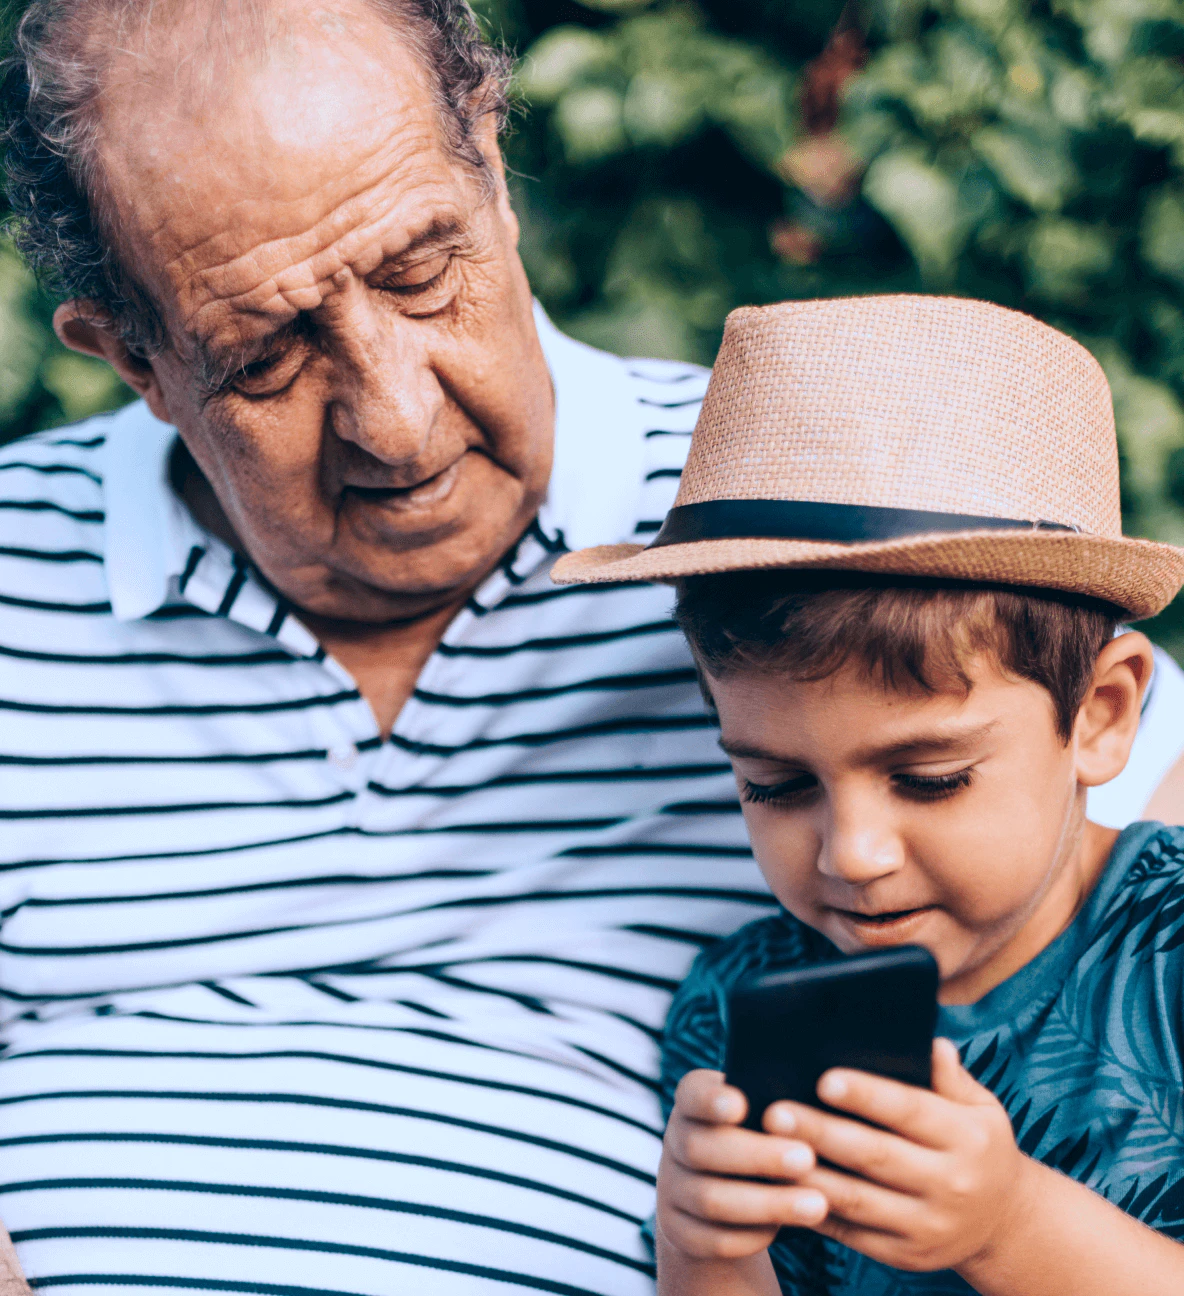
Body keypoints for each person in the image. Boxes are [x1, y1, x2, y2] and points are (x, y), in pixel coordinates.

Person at [0, 0, 1180, 1291]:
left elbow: (1091, 849)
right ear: (133, 356)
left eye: (418, 272)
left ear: (490, 164)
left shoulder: (807, 515)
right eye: (267, 354)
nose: (397, 422)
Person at [552, 295, 1184, 1295]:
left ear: (1102, 716)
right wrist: (705, 1248)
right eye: (775, 784)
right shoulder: (738, 1012)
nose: (851, 853)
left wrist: (1008, 1225)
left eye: (929, 779)